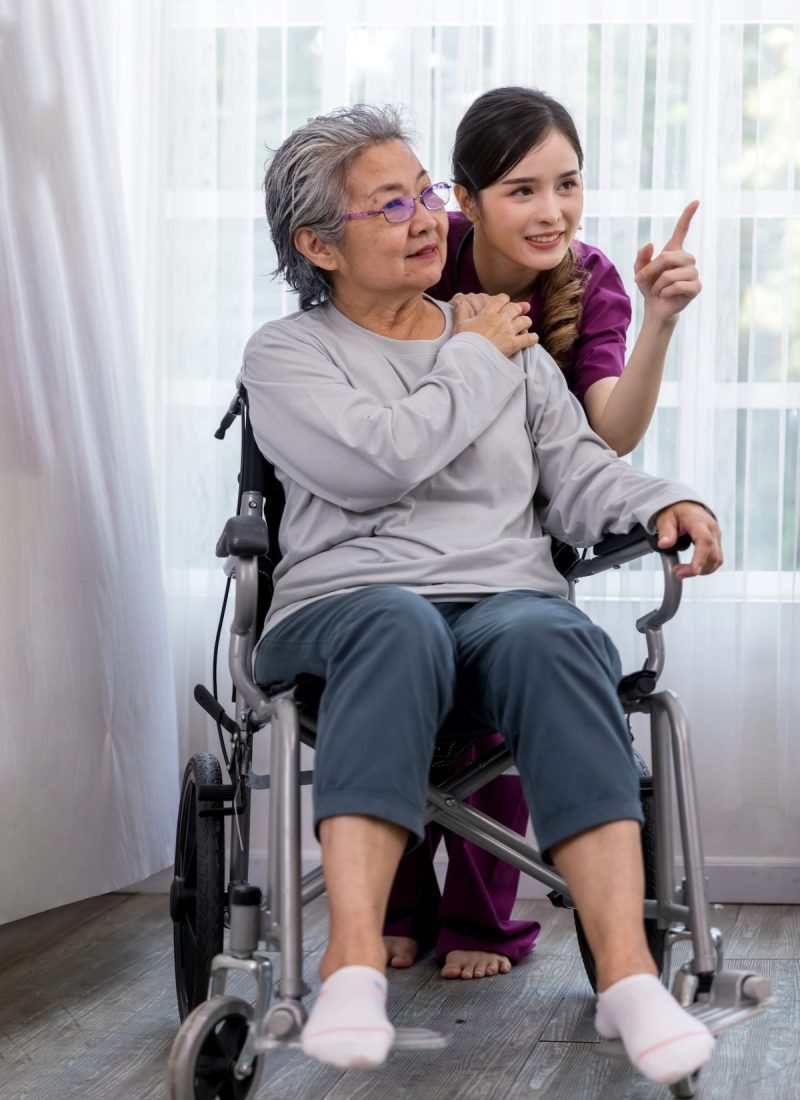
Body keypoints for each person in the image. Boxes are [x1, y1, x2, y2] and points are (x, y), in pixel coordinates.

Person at [243, 103, 722, 1087]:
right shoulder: (288, 355)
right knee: (396, 620)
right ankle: (348, 965)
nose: (424, 217)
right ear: (315, 244)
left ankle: (629, 976)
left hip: (496, 601)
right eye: (390, 204)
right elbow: (376, 463)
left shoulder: (517, 354)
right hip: (348, 610)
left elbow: (584, 476)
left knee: (551, 632)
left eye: (424, 192)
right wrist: (471, 349)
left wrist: (666, 496)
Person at [384, 86, 703, 980]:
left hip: (519, 530)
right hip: (400, 517)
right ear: (464, 197)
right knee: (401, 671)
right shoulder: (421, 256)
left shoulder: (591, 278)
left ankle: (483, 921)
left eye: (568, 185)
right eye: (522, 190)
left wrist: (661, 324)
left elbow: (609, 435)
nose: (552, 210)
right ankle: (400, 907)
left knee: (510, 676)